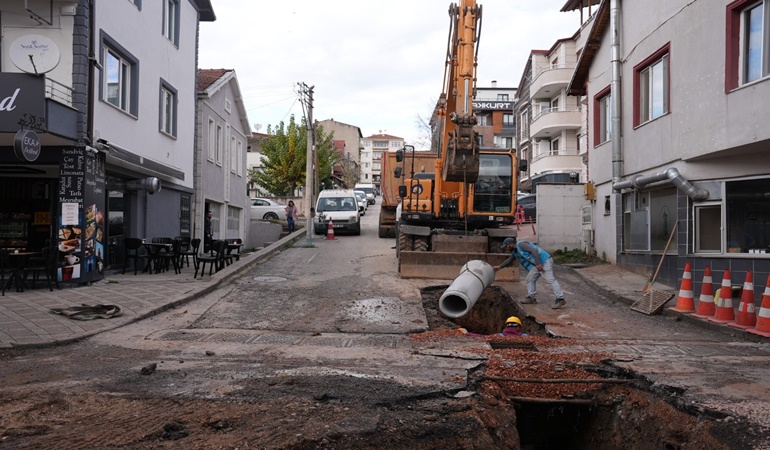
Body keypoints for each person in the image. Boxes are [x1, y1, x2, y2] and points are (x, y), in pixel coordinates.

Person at [494, 237, 566, 309]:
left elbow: (533, 250)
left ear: (510, 244)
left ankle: (560, 299)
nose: (506, 248)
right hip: (537, 263)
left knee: (550, 279)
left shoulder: (521, 244)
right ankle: (531, 298)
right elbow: (510, 260)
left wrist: (538, 263)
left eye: (506, 246)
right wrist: (500, 266)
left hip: (544, 261)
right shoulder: (515, 251)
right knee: (530, 278)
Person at [459, 316, 528, 337]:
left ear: (506, 326)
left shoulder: (500, 336)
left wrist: (467, 333)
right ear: (519, 327)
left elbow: (483, 337)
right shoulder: (526, 337)